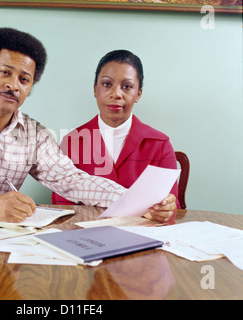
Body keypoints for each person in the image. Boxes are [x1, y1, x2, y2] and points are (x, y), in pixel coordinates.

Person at [0, 29, 175, 223]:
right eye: (5, 72)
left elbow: (72, 181)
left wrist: (137, 202)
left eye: (24, 79)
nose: (13, 85)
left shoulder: (35, 134)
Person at [52, 49, 178, 222]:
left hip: (143, 238)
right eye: (106, 84)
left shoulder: (159, 143)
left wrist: (167, 208)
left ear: (138, 94)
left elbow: (172, 205)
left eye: (127, 86)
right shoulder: (73, 142)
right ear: (95, 90)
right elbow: (62, 204)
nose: (116, 94)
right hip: (87, 238)